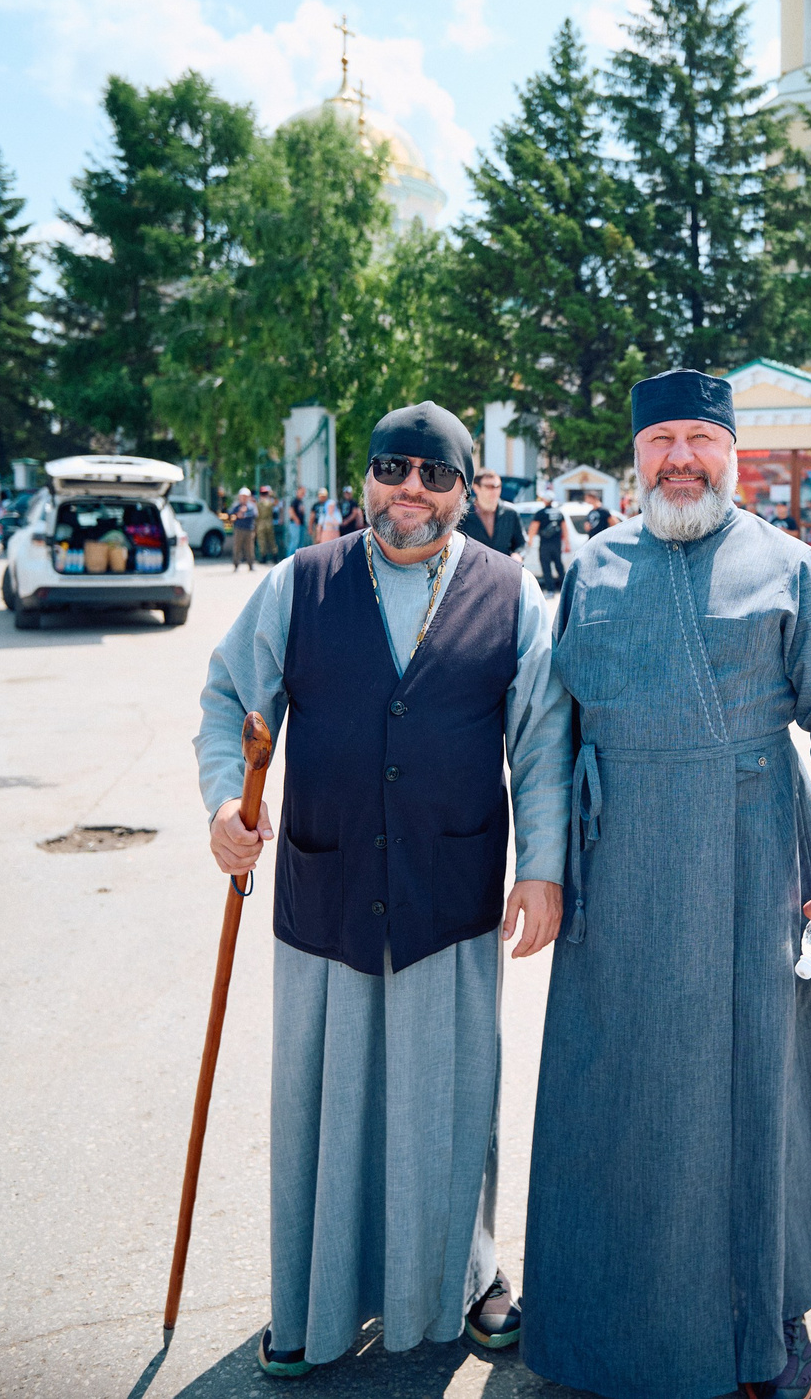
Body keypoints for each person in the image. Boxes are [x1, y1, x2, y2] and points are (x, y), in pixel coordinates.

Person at [521, 369, 811, 1399]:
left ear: (731, 453)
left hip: (754, 868)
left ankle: (756, 1316)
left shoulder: (794, 569)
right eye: (659, 438)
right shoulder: (594, 565)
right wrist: (545, 866)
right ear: (635, 457)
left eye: (700, 437)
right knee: (616, 1095)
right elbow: (553, 724)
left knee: (752, 1095)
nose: (680, 459)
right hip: (615, 876)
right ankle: (599, 1318)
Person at [198, 402, 572, 1382]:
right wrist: (220, 809)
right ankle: (311, 1298)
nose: (410, 488)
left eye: (435, 474)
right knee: (321, 1098)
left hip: (448, 893)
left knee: (452, 1101)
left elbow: (538, 741)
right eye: (391, 467)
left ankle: (468, 1274)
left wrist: (541, 863)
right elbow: (226, 701)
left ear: (466, 487)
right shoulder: (298, 582)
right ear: (365, 477)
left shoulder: (511, 593)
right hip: (323, 893)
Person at [458, 469, 525, 561]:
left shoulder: (510, 513)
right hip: (473, 569)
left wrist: (518, 555)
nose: (494, 491)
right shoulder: (463, 514)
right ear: (476, 488)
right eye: (489, 486)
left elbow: (521, 544)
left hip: (503, 568)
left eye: (497, 486)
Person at [530, 492, 565, 593]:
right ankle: (564, 588)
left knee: (546, 567)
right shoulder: (559, 512)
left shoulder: (541, 513)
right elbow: (564, 528)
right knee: (559, 566)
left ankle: (550, 590)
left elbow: (533, 527)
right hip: (557, 544)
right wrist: (567, 544)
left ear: (545, 500)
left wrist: (530, 541)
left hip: (545, 544)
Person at [231, 487, 258, 572]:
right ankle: (236, 565)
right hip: (239, 529)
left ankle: (251, 565)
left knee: (249, 548)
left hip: (249, 529)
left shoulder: (251, 506)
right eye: (242, 496)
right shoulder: (236, 506)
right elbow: (230, 514)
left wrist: (244, 514)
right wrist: (238, 514)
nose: (244, 498)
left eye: (245, 496)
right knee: (237, 547)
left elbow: (255, 514)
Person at [255, 485, 279, 562]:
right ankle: (274, 556)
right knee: (271, 540)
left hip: (261, 523)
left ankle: (263, 557)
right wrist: (272, 494)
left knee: (262, 540)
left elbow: (256, 515)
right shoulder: (269, 502)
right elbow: (276, 502)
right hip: (269, 523)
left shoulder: (259, 503)